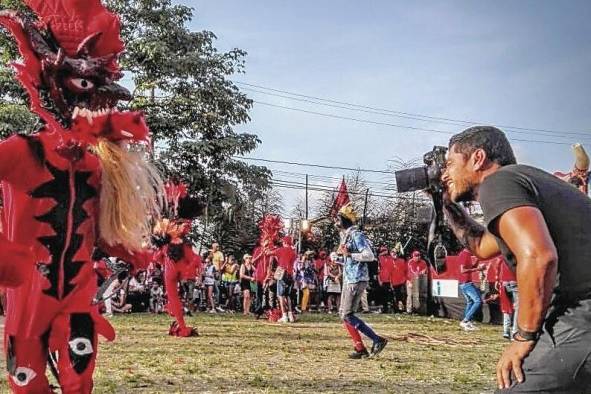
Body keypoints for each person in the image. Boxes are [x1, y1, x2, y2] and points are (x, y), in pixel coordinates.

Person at [441, 125, 591, 391]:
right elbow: (481, 246)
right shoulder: (529, 184)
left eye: (450, 164)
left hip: (581, 319)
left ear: (478, 158)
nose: (445, 173)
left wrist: (523, 336)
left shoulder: (498, 182)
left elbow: (539, 256)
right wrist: (446, 203)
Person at [335, 203, 388, 359]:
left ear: (345, 219)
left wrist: (350, 254)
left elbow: (369, 256)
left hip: (356, 279)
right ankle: (359, 348)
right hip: (349, 278)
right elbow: (349, 259)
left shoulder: (357, 235)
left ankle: (377, 340)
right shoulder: (346, 236)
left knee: (347, 314)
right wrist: (338, 258)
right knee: (343, 314)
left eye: (338, 218)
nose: (336, 221)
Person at [457, 249, 486, 330]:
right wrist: (477, 269)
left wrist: (477, 261)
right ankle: (465, 321)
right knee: (478, 301)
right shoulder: (464, 255)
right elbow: (463, 270)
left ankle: (467, 323)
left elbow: (470, 268)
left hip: (465, 283)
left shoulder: (467, 255)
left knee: (470, 302)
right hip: (466, 283)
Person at [274, 236, 297, 323]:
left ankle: (284, 316)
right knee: (288, 295)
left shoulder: (280, 250)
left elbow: (269, 253)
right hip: (290, 274)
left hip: (282, 273)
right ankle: (291, 315)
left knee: (280, 295)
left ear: (284, 242)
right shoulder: (293, 252)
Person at [495, 257, 519, 340]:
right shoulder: (517, 252)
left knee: (506, 307)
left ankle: (506, 331)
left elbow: (497, 264)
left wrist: (497, 279)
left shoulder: (503, 253)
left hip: (504, 282)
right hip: (515, 281)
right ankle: (515, 332)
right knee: (518, 308)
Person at [389, 249, 408, 313]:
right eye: (392, 253)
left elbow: (406, 270)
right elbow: (389, 273)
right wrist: (390, 282)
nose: (394, 254)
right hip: (394, 282)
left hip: (402, 281)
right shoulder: (389, 262)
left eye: (395, 253)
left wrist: (405, 279)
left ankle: (404, 309)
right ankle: (397, 309)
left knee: (403, 295)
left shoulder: (402, 261)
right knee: (396, 296)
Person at [377, 246, 394, 313]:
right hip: (382, 279)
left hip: (390, 279)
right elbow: (378, 271)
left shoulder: (390, 258)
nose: (384, 252)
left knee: (390, 295)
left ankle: (392, 308)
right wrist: (379, 280)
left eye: (385, 251)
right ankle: (385, 308)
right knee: (383, 295)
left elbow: (392, 270)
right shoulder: (380, 258)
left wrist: (391, 281)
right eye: (382, 251)